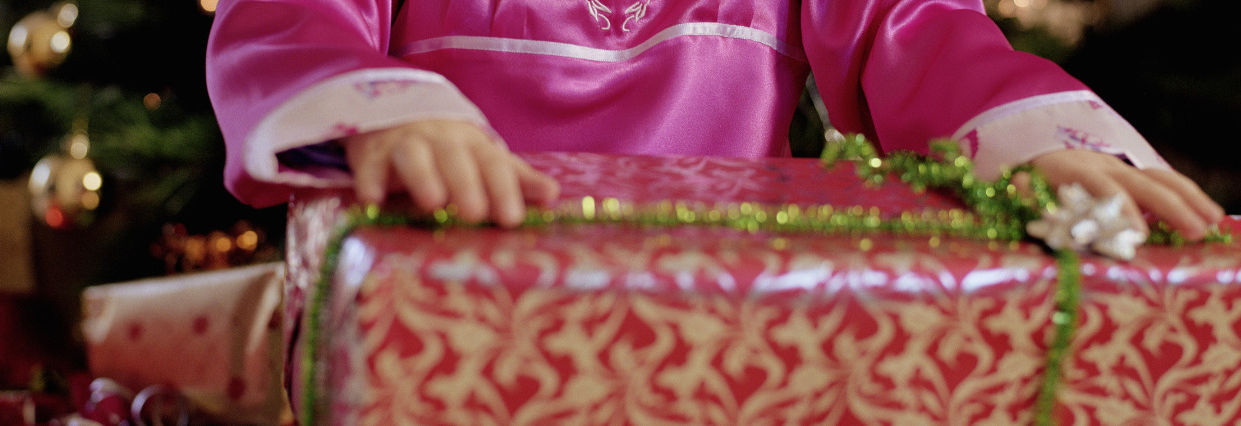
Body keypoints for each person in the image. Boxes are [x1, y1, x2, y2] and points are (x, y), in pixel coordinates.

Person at [205, 0, 1223, 238]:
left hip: (716, 314)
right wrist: (389, 117)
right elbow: (290, 26)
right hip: (443, 297)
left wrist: (1039, 146)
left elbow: (913, 34)